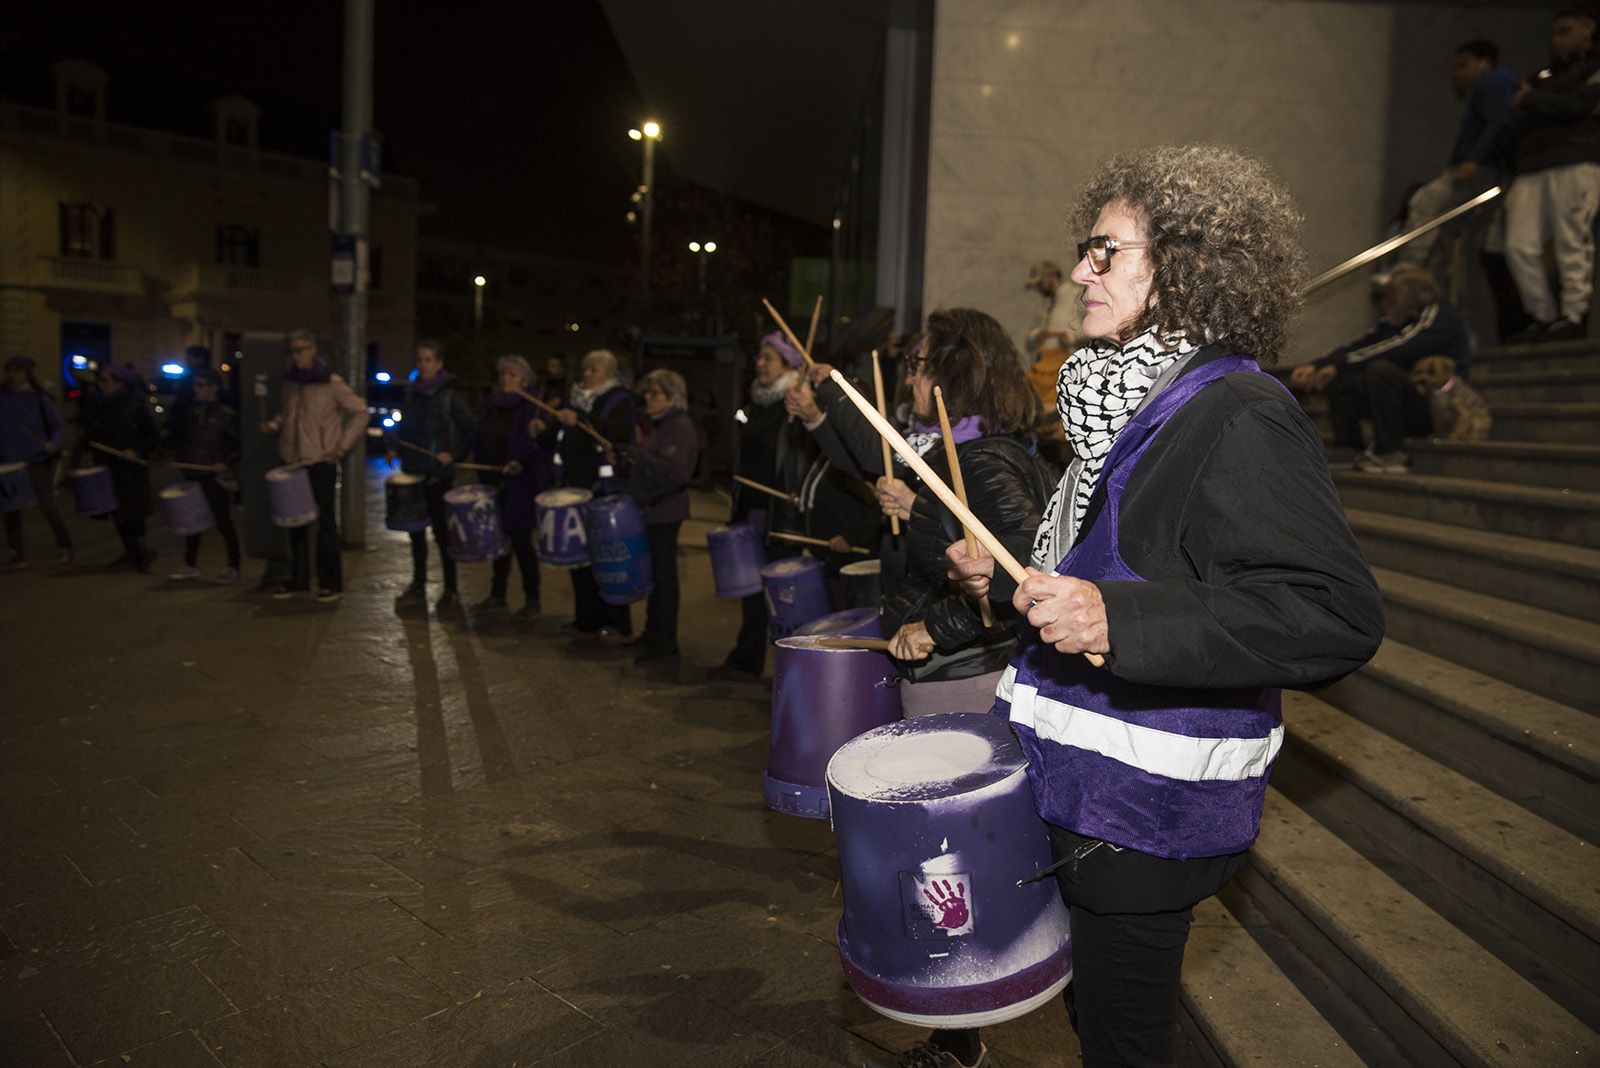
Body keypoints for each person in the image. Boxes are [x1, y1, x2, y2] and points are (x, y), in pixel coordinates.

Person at [945, 144, 1384, 1068]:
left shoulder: (1236, 410)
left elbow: (1331, 611)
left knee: (1124, 1041)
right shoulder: (1129, 400)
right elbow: (1124, 556)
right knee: (1093, 1019)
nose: (1078, 272)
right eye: (1084, 248)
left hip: (1144, 812)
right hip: (1075, 786)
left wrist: (1118, 621)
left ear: (1183, 269)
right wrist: (1014, 578)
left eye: (1105, 251)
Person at [873, 309, 1050, 717]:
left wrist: (937, 628)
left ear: (951, 375)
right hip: (958, 669)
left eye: (916, 366)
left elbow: (1030, 563)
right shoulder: (981, 448)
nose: (908, 379)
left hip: (965, 676)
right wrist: (922, 509)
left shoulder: (980, 459)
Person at [1289, 265, 1467, 472]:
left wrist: (1339, 366)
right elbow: (1361, 345)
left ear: (1411, 297)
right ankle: (1349, 446)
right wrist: (1317, 365)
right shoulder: (1393, 322)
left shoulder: (1439, 318)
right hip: (1410, 402)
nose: (1385, 304)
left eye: (1392, 297)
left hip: (1439, 406)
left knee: (1380, 369)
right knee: (1341, 377)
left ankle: (1391, 451)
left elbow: (1398, 346)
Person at [709, 331, 811, 680]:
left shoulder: (795, 404)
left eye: (768, 357)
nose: (760, 363)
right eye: (760, 357)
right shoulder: (759, 403)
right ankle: (746, 658)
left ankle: (792, 672)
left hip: (780, 513)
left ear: (787, 365)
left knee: (783, 599)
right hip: (752, 509)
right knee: (752, 593)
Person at [1502, 8, 1600, 342]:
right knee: (1518, 245)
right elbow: (1515, 118)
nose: (1556, 39)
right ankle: (1543, 316)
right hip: (1531, 165)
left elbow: (1579, 105)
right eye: (1554, 32)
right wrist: (1543, 103)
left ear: (1588, 29)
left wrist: (1537, 102)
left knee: (1572, 240)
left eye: (1564, 30)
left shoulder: (1593, 68)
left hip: (1577, 160)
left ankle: (1574, 315)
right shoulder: (1540, 76)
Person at [536, 348, 635, 639]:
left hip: (602, 491)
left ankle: (617, 622)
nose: (586, 374)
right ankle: (586, 618)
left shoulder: (620, 399)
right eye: (585, 369)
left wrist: (581, 419)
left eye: (594, 370)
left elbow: (618, 435)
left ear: (609, 373)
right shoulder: (573, 398)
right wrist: (542, 430)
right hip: (572, 490)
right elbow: (551, 437)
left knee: (607, 560)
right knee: (579, 560)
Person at [260, 330, 365, 602]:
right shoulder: (291, 382)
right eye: (293, 351)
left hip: (319, 461)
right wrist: (274, 424)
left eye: (302, 350)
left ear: (313, 349)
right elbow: (287, 412)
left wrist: (341, 446)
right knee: (294, 522)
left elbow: (360, 412)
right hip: (292, 461)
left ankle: (331, 583)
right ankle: (299, 580)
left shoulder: (330, 382)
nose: (297, 356)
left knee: (325, 523)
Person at [1397, 40, 1517, 268]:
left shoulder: (1493, 82)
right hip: (1483, 167)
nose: (1457, 74)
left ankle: (1410, 267)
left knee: (1425, 201)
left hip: (1480, 169)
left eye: (1463, 65)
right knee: (1453, 232)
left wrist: (1473, 160)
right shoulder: (1494, 86)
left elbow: (1497, 122)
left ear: (1484, 63)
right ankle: (1430, 277)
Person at [616, 369, 700, 664]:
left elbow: (672, 471)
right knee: (654, 576)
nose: (648, 399)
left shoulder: (679, 426)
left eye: (655, 394)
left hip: (664, 511)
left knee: (664, 578)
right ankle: (653, 635)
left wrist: (636, 455)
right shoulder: (660, 425)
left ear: (672, 398)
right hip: (652, 511)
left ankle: (665, 643)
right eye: (647, 393)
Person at [391, 340, 477, 613]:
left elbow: (470, 430)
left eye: (428, 360)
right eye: (420, 360)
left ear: (439, 364)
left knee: (442, 534)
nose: (423, 365)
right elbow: (402, 428)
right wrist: (393, 447)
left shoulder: (450, 397)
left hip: (438, 476)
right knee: (415, 533)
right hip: (414, 471)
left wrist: (453, 454)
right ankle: (418, 584)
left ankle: (450, 589)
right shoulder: (411, 394)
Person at [473, 355, 546, 619]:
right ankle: (497, 595)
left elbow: (536, 445)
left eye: (513, 375)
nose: (507, 379)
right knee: (499, 541)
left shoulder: (531, 406)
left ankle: (532, 599)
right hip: (493, 482)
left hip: (520, 485)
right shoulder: (493, 405)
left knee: (521, 542)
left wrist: (519, 461)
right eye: (504, 374)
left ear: (525, 380)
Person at [164, 368, 241, 583]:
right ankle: (190, 564)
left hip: (212, 475)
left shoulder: (226, 414)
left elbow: (239, 445)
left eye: (200, 385)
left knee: (223, 521)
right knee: (190, 521)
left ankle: (234, 565)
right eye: (195, 385)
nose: (195, 389)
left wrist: (225, 464)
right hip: (192, 472)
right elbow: (183, 439)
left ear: (213, 388)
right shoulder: (191, 412)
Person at [81, 364, 158, 570]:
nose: (103, 385)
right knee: (118, 512)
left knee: (134, 511)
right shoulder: (100, 406)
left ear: (119, 383)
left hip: (130, 468)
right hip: (109, 465)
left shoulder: (134, 406)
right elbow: (93, 431)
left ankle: (140, 552)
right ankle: (130, 551)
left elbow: (151, 435)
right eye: (102, 381)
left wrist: (136, 450)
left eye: (108, 381)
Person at [0, 355, 74, 568]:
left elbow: (59, 426)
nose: (13, 375)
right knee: (10, 509)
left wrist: (53, 443)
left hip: (36, 459)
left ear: (27, 373)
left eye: (17, 371)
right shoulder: (3, 397)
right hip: (10, 461)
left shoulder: (40, 399)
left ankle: (65, 546)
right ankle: (16, 553)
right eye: (10, 371)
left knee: (46, 505)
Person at [1024, 260, 1083, 464]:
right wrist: (1036, 336)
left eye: (1042, 282)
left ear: (1052, 277)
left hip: (1066, 370)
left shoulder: (1075, 295)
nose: (1040, 288)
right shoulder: (1043, 305)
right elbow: (1029, 339)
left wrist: (1073, 338)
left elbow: (1091, 328)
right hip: (1043, 371)